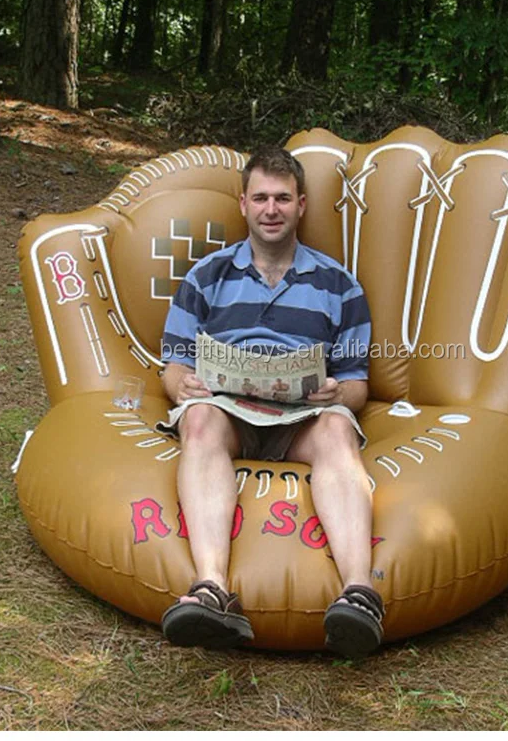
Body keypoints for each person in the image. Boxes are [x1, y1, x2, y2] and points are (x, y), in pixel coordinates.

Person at [159, 146, 384, 657]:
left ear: (302, 204)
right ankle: (212, 588)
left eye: (283, 198)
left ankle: (358, 592)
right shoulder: (206, 276)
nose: (271, 209)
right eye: (260, 197)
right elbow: (173, 361)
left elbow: (356, 381)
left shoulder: (339, 285)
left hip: (303, 416)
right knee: (197, 419)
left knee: (338, 428)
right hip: (228, 412)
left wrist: (336, 393)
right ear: (243, 204)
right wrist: (182, 386)